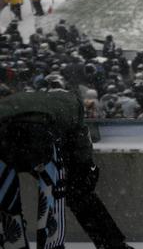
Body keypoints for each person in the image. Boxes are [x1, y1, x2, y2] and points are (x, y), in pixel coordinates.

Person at [0, 89, 134, 249]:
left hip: (5, 137)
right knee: (75, 196)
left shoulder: (17, 101)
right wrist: (86, 171)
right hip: (41, 134)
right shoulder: (71, 107)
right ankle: (112, 244)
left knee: (7, 199)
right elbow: (82, 145)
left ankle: (13, 239)